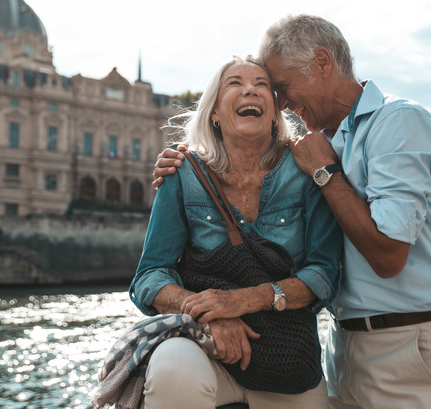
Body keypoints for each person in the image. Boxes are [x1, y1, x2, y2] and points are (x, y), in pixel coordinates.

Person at [153, 15, 431, 409]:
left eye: (279, 87)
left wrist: (325, 172)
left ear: (322, 63)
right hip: (344, 346)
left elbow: (388, 255)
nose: (281, 102)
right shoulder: (321, 141)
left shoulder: (399, 122)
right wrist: (182, 164)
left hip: (413, 344)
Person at [131, 56, 342, 409]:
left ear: (275, 112)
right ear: (214, 112)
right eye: (235, 83)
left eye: (261, 84)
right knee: (172, 369)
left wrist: (239, 302)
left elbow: (324, 275)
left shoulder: (307, 170)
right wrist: (204, 316)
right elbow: (149, 276)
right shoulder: (183, 172)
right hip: (205, 349)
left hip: (289, 359)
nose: (250, 89)